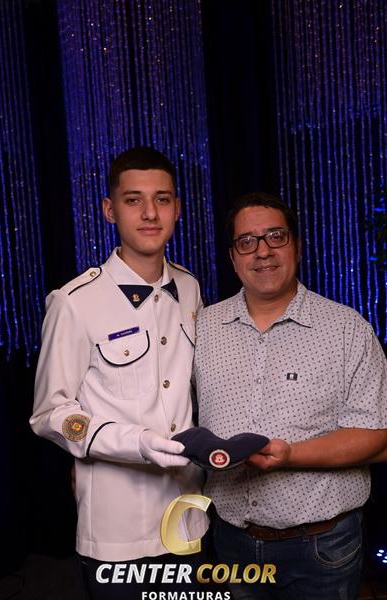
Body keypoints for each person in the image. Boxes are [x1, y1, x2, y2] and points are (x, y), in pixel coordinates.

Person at [30, 147, 208, 599]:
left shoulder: (189, 287)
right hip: (118, 533)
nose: (150, 213)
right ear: (110, 210)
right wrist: (134, 443)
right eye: (133, 200)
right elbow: (51, 414)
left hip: (189, 518)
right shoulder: (74, 302)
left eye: (162, 199)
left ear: (177, 208)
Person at [193, 192, 387, 600]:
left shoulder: (347, 329)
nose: (262, 251)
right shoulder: (202, 328)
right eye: (247, 241)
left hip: (322, 547)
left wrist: (291, 455)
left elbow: (377, 436)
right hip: (231, 542)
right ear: (233, 258)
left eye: (275, 236)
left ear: (297, 246)